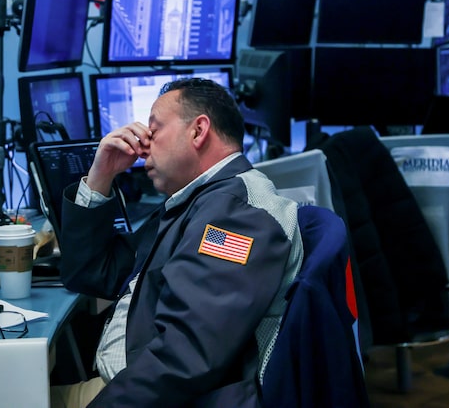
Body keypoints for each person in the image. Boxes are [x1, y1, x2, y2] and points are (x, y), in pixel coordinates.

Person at [51, 78, 303, 407]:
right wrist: (102, 175)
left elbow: (186, 358)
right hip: (141, 385)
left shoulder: (234, 218)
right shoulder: (199, 201)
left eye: (154, 131)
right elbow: (94, 272)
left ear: (198, 131)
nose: (142, 148)